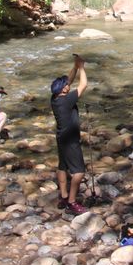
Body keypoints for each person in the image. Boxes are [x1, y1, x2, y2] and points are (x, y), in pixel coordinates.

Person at [51, 55, 89, 215]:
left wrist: (74, 67)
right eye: (66, 85)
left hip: (61, 137)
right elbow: (83, 84)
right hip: (71, 140)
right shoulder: (68, 100)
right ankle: (72, 202)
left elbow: (70, 81)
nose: (68, 84)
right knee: (79, 172)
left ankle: (64, 195)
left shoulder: (55, 99)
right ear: (64, 90)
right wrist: (81, 67)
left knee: (63, 166)